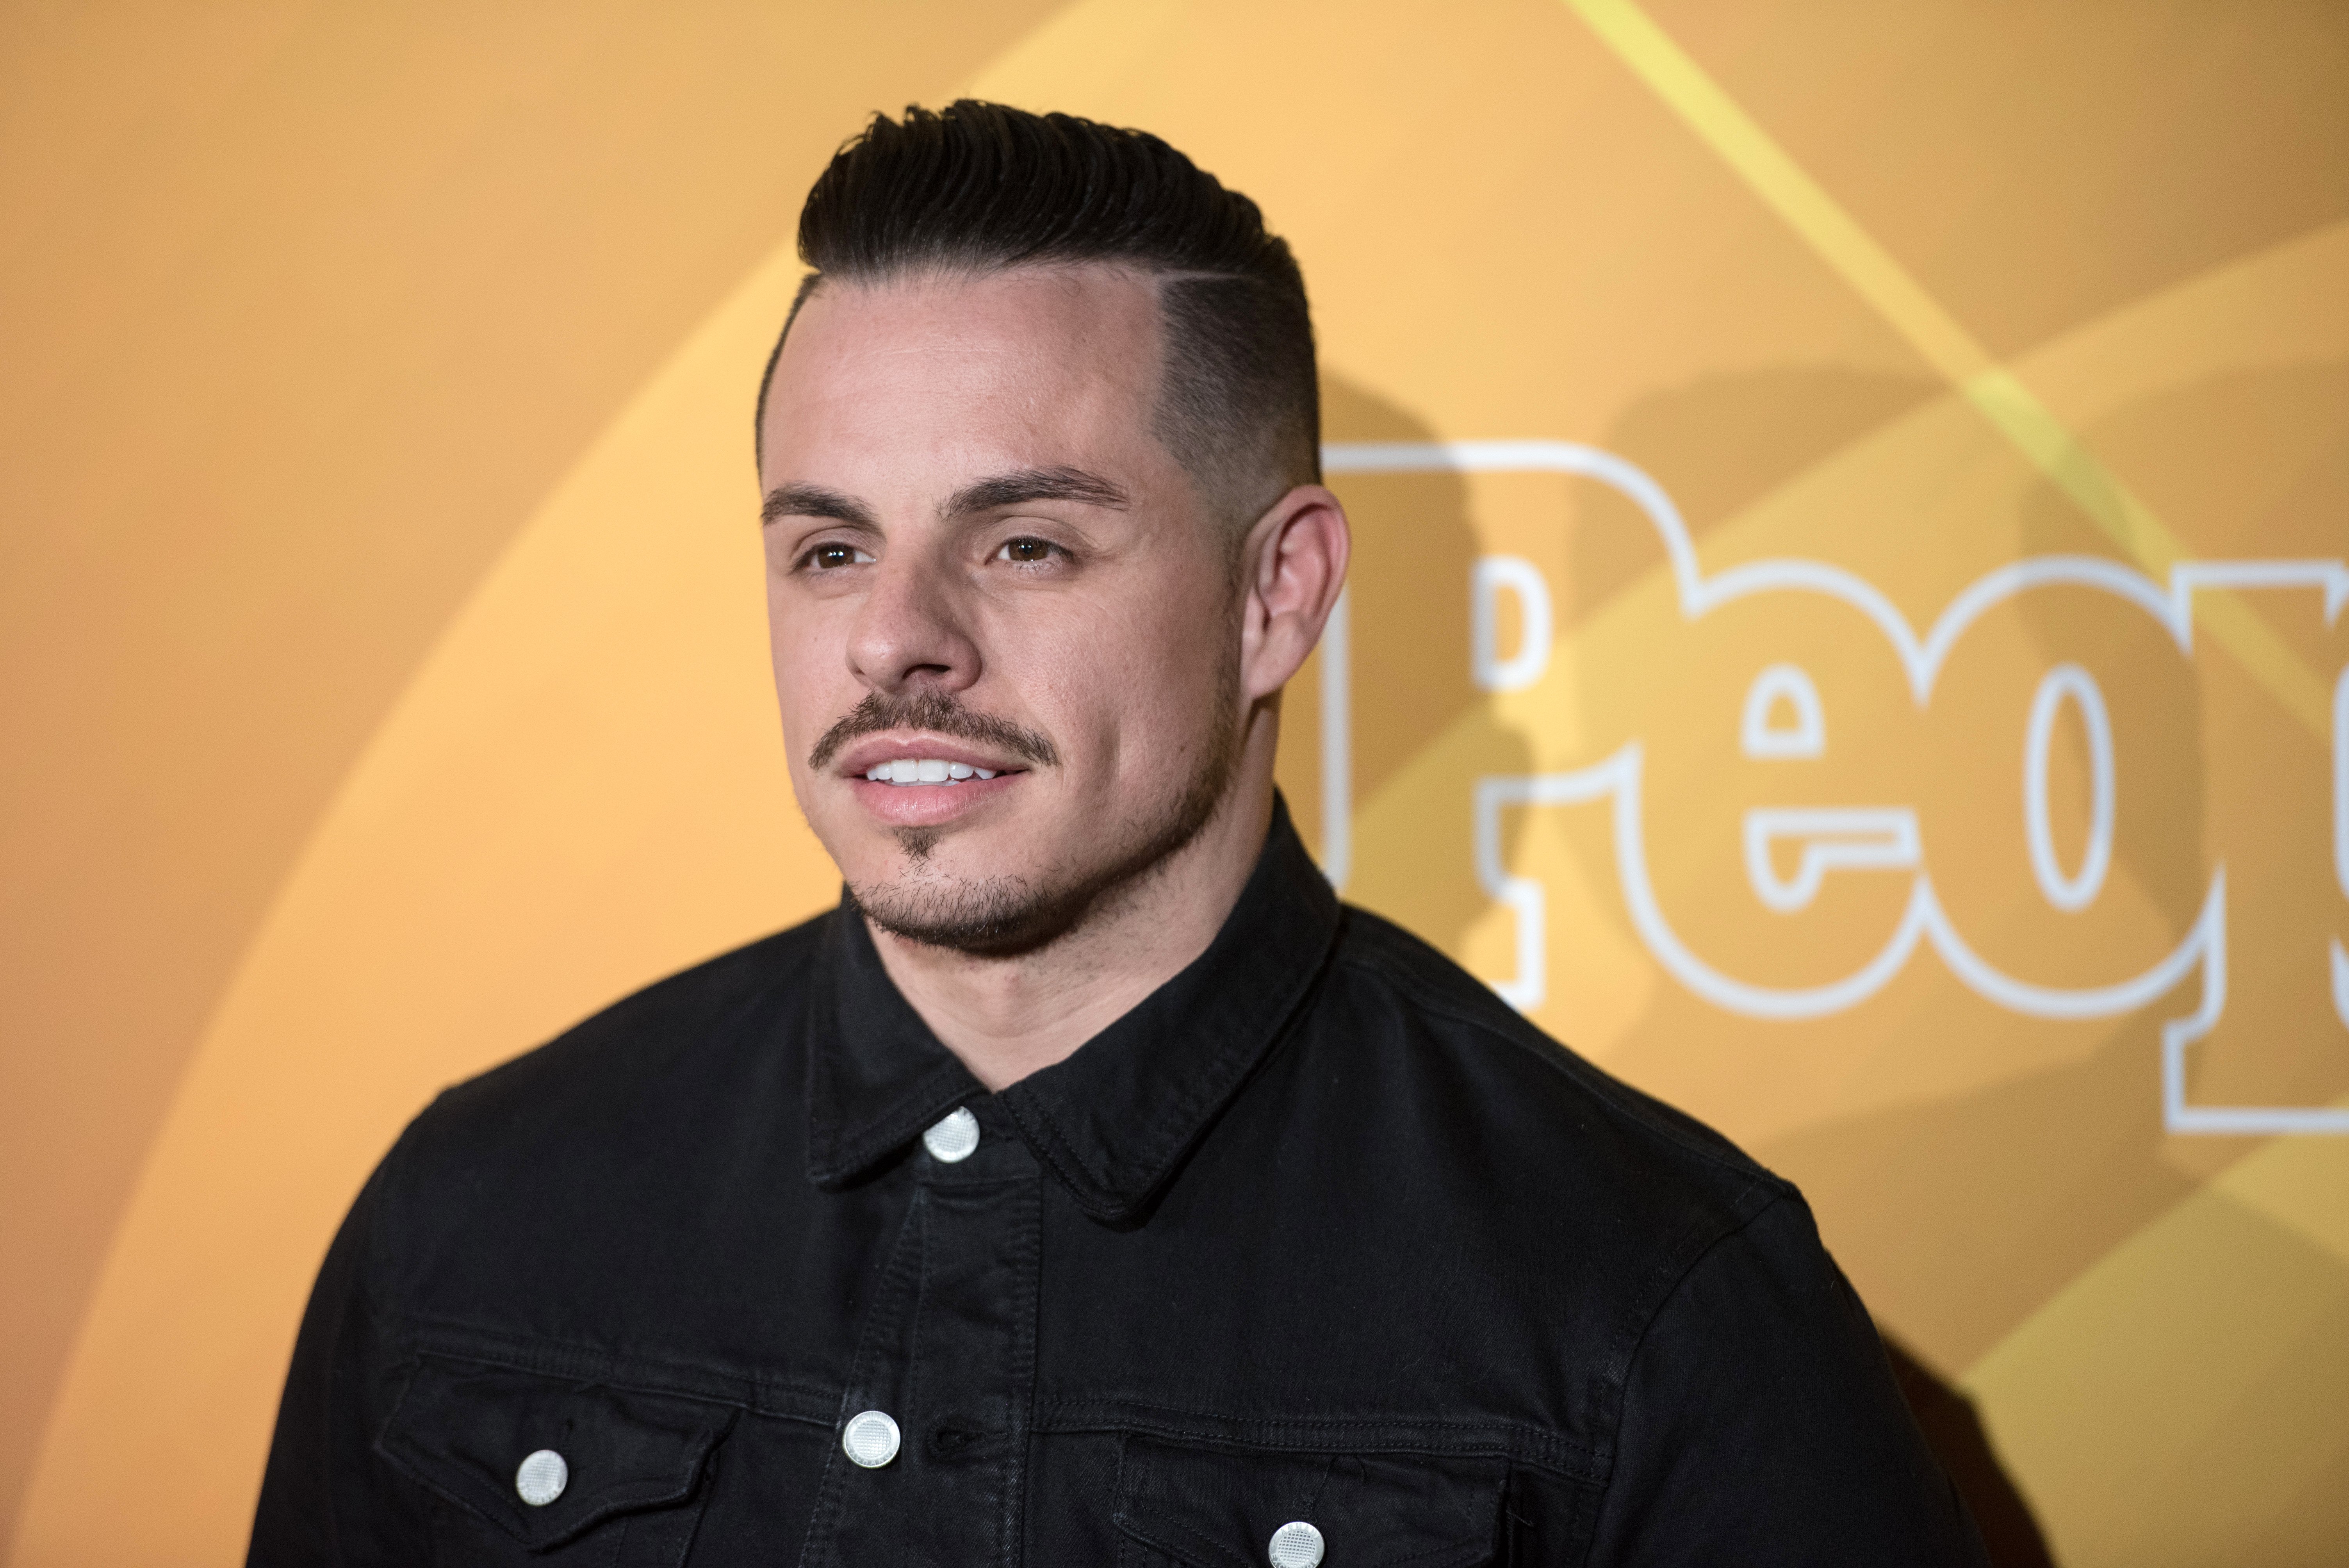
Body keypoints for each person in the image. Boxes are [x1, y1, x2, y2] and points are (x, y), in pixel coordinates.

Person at [250, 101, 1986, 1566]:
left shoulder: (1646, 1297)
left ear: (1275, 593)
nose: (892, 640)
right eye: (829, 548)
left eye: (1023, 544)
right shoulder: (477, 1216)